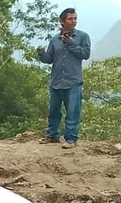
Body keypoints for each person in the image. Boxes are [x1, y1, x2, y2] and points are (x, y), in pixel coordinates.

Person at [37, 8, 91, 148]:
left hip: (73, 82)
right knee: (53, 111)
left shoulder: (82, 37)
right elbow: (50, 59)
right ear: (62, 22)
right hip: (56, 81)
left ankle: (71, 139)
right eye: (70, 19)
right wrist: (42, 54)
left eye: (75, 18)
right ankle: (52, 135)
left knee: (73, 112)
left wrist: (71, 42)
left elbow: (85, 54)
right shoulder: (55, 39)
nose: (73, 21)